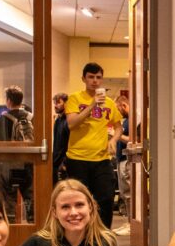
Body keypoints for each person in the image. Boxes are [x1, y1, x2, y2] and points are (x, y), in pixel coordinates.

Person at [65, 63, 122, 228]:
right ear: (84, 78)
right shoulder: (75, 98)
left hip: (101, 159)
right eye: (91, 77)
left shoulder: (110, 103)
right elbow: (71, 124)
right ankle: (80, 237)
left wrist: (113, 140)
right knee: (78, 202)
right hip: (77, 159)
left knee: (105, 199)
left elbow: (118, 127)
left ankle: (103, 237)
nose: (95, 81)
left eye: (98, 77)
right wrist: (92, 105)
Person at [115, 93, 131, 218]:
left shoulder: (133, 121)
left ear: (123, 105)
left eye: (118, 109)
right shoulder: (126, 121)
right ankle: (128, 221)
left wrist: (116, 134)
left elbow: (132, 140)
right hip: (121, 159)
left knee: (128, 192)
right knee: (124, 192)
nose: (118, 112)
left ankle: (131, 222)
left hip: (127, 159)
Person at [52, 92, 70, 183]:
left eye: (58, 102)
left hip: (64, 163)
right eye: (54, 103)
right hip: (56, 162)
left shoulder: (69, 120)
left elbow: (71, 142)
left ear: (66, 103)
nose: (55, 105)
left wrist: (65, 163)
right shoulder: (58, 120)